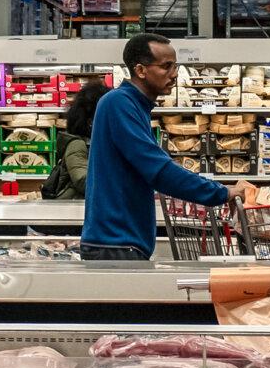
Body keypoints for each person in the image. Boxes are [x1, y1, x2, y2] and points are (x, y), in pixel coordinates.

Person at [81, 33, 246, 260]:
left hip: (123, 242)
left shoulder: (134, 105)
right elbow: (158, 170)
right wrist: (221, 192)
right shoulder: (118, 103)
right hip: (115, 243)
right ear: (140, 70)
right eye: (166, 66)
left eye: (175, 66)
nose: (175, 73)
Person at [43, 80, 110, 200]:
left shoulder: (98, 144)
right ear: (90, 121)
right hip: (72, 209)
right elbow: (83, 181)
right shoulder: (77, 144)